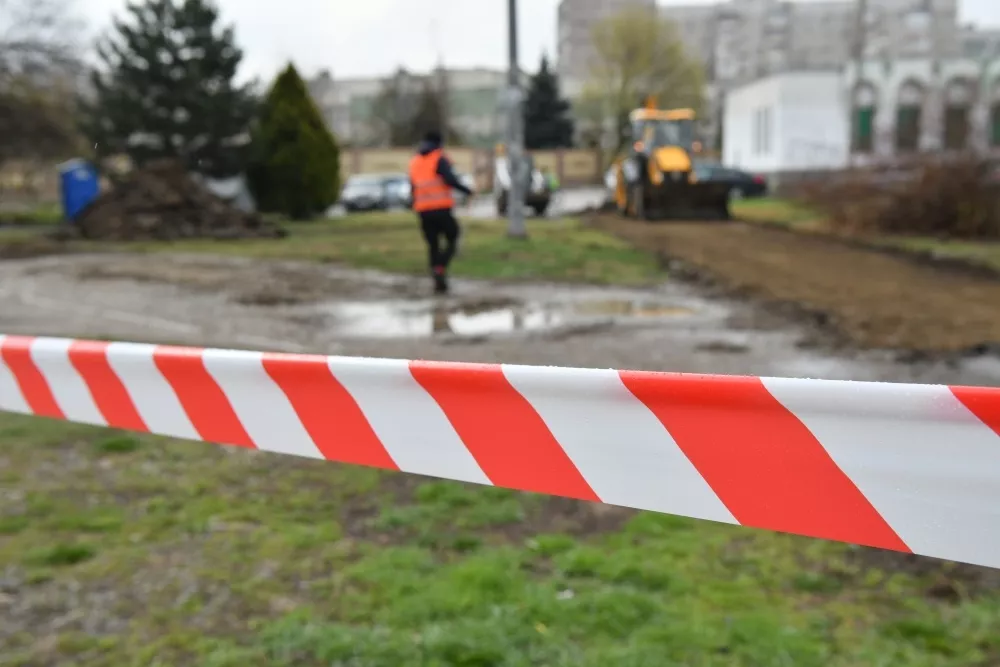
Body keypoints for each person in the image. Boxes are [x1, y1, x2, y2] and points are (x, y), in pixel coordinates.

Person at [408, 130, 473, 294]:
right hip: (441, 208)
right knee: (453, 236)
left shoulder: (415, 161)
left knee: (433, 244)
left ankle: (437, 277)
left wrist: (413, 203)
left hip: (423, 210)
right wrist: (467, 191)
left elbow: (412, 186)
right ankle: (441, 267)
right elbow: (450, 179)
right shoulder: (438, 158)